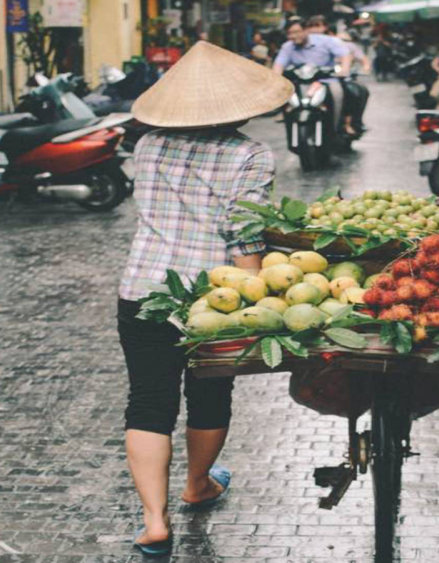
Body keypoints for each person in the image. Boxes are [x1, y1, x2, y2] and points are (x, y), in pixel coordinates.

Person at [116, 41, 293, 556]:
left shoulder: (147, 145)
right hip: (212, 298)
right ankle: (197, 484)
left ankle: (154, 522)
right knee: (210, 393)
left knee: (148, 400)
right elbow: (244, 236)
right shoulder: (249, 154)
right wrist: (256, 304)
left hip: (143, 289)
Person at [273, 19, 358, 135]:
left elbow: (345, 55)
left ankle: (341, 124)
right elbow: (279, 65)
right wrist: (275, 79)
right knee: (283, 93)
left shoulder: (326, 41)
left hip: (326, 81)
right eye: (289, 33)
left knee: (340, 93)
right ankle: (285, 115)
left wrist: (344, 70)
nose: (293, 36)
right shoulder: (287, 47)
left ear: (306, 30)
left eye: (297, 32)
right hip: (300, 82)